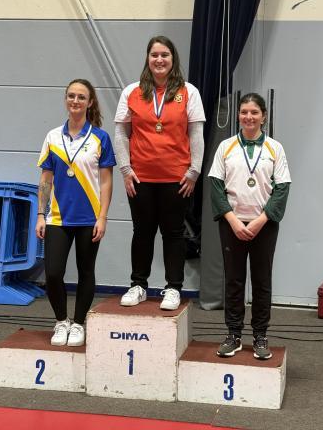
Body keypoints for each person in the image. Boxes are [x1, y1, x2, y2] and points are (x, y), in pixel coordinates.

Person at [114, 36, 205, 310]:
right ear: (148, 59)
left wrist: (194, 171)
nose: (159, 60)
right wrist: (125, 169)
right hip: (140, 177)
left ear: (173, 58)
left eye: (165, 55)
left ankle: (173, 288)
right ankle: (138, 285)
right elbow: (120, 133)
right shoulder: (132, 91)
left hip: (177, 178)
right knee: (142, 231)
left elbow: (196, 133)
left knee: (173, 233)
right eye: (154, 55)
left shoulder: (189, 91)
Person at [208, 93, 291, 360]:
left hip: (263, 225)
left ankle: (260, 336)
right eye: (244, 112)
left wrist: (260, 220)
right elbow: (216, 186)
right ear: (238, 116)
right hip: (232, 224)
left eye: (254, 112)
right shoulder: (226, 147)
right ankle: (233, 334)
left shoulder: (275, 148)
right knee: (233, 280)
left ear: (263, 116)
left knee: (262, 280)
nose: (249, 117)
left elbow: (282, 188)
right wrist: (233, 220)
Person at [36, 78, 116, 346]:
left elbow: (106, 182)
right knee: (53, 273)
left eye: (81, 97)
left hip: (89, 219)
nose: (75, 101)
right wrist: (40, 214)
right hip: (57, 218)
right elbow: (46, 179)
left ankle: (79, 323)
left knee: (86, 272)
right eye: (71, 95)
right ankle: (61, 321)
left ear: (90, 102)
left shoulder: (100, 138)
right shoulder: (52, 137)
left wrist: (102, 217)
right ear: (65, 100)